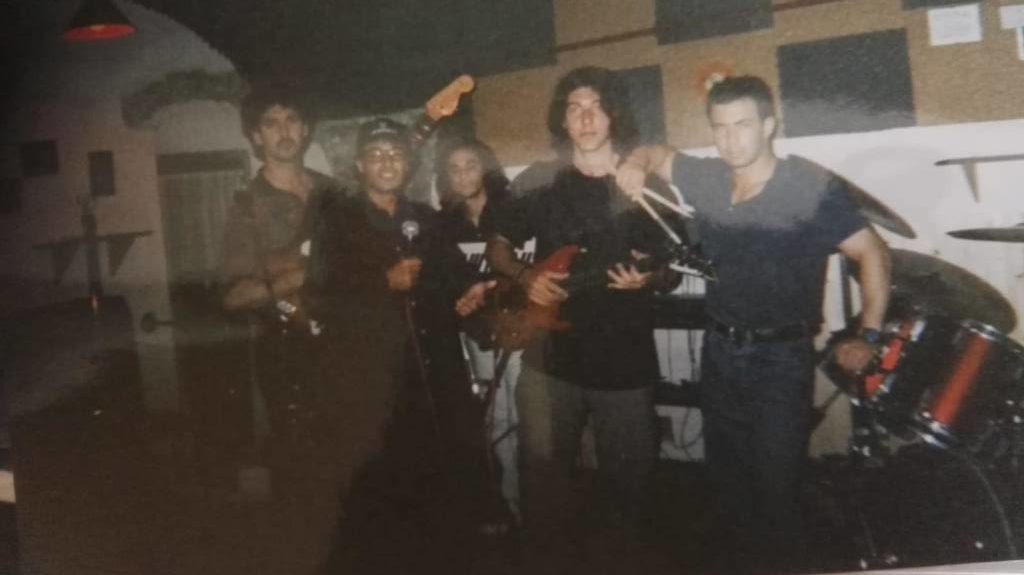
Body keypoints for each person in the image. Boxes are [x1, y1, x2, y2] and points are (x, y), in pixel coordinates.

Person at [616, 75, 891, 573]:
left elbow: (872, 252)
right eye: (720, 128)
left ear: (768, 125)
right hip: (720, 352)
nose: (730, 139)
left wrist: (869, 334)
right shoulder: (707, 177)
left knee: (775, 493)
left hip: (779, 360)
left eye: (742, 125)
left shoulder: (807, 186)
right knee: (727, 489)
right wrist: (635, 164)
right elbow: (656, 153)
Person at [485, 66, 680, 571]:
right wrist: (526, 275)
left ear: (613, 114)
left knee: (628, 491)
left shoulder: (646, 183)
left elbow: (671, 271)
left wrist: (649, 280)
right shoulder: (539, 179)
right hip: (549, 362)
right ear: (563, 120)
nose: (586, 117)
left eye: (596, 106)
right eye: (575, 108)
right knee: (542, 488)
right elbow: (497, 246)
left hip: (625, 362)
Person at [308, 118, 495, 574]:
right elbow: (317, 297)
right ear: (359, 165)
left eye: (395, 153)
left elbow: (455, 278)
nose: (387, 162)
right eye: (376, 154)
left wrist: (470, 294)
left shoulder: (428, 220)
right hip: (373, 387)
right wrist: (381, 282)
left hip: (432, 384)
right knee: (380, 501)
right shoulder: (338, 222)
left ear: (408, 163)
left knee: (437, 495)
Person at [436, 137, 525, 528]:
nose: (462, 176)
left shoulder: (514, 211)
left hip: (523, 332)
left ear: (486, 167)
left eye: (470, 165)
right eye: (454, 169)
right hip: (479, 334)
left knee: (527, 417)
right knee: (495, 417)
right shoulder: (443, 225)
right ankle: (509, 501)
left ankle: (534, 502)